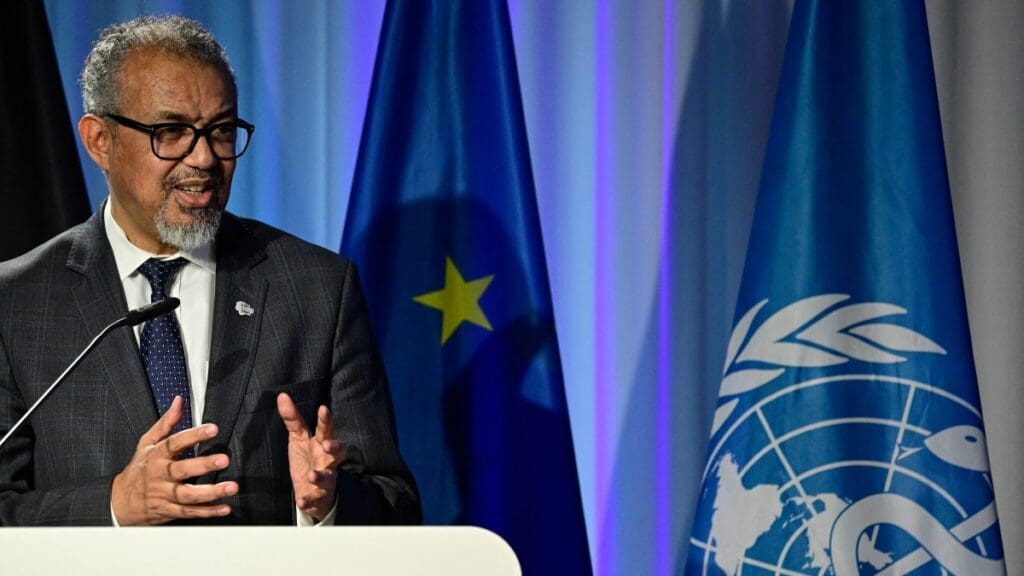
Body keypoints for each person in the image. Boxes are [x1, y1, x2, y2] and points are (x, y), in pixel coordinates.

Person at [0, 15, 420, 526]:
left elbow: (394, 503)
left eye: (221, 131)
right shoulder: (17, 303)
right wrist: (113, 505)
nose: (204, 158)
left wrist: (327, 502)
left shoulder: (316, 290)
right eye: (171, 131)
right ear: (99, 141)